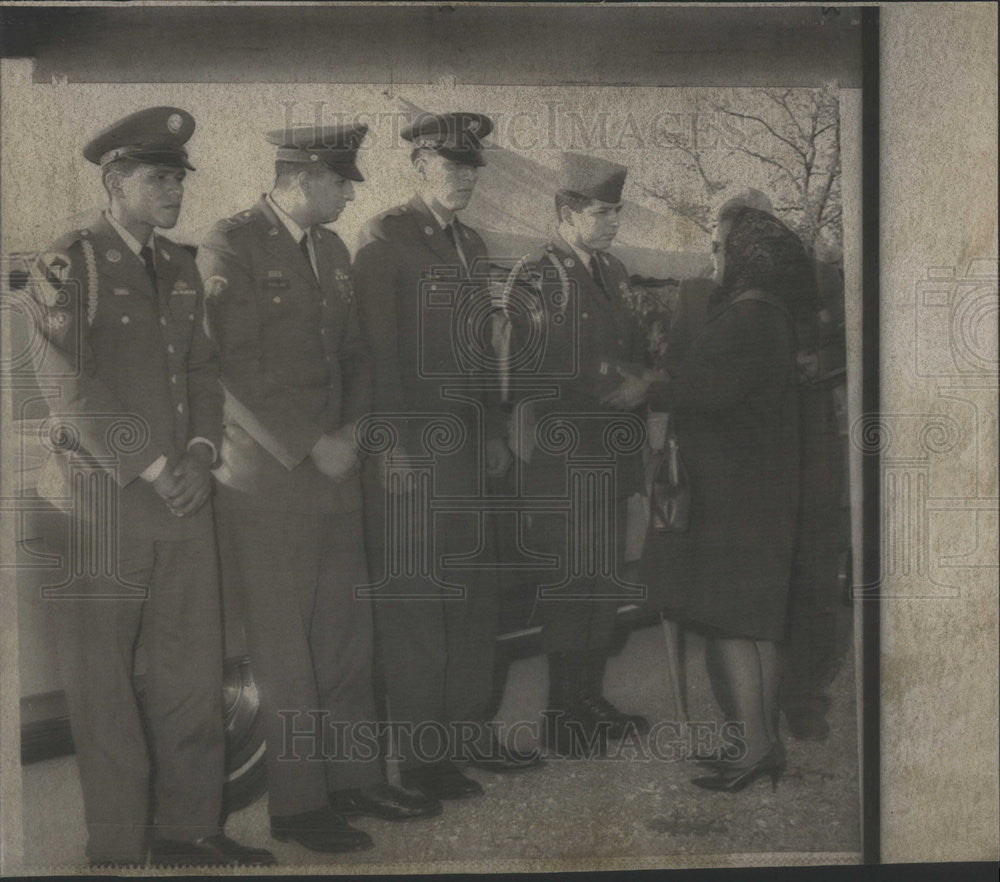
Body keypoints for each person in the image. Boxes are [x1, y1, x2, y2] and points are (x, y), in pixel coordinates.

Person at [27, 106, 274, 867]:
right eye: (156, 178)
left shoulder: (179, 265)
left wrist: (200, 453)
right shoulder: (70, 261)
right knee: (102, 686)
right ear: (113, 181)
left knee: (190, 672)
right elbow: (69, 386)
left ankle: (189, 828)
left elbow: (202, 372)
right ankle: (118, 845)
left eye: (178, 178)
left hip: (181, 498)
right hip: (99, 506)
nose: (173, 192)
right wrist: (162, 467)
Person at [198, 122, 438, 855]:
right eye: (339, 182)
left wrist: (354, 437)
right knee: (286, 651)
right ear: (300, 179)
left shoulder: (333, 250)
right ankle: (299, 807)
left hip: (337, 472)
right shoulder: (231, 245)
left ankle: (355, 779)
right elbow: (231, 369)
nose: (347, 195)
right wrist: (312, 444)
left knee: (344, 641)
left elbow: (361, 355)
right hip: (271, 481)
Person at [352, 111, 541, 802]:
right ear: (418, 166)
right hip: (413, 456)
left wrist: (492, 430)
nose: (463, 178)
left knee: (471, 603)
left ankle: (466, 731)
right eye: (450, 165)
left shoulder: (471, 243)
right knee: (416, 608)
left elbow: (481, 354)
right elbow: (375, 355)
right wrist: (391, 447)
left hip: (465, 451)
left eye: (471, 167)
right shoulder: (386, 238)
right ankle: (424, 756)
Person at [604, 206, 812, 791]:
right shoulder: (769, 313)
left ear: (748, 257)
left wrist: (646, 386)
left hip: (736, 495)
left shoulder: (748, 316)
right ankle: (760, 740)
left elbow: (706, 390)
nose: (712, 256)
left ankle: (751, 748)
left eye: (720, 247)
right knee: (757, 626)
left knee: (730, 624)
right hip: (757, 488)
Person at [501, 152, 650, 757]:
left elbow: (640, 343)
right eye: (602, 211)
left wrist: (639, 378)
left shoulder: (612, 271)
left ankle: (589, 698)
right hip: (564, 459)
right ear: (566, 213)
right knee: (570, 589)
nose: (613, 221)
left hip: (608, 455)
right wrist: (617, 379)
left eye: (616, 211)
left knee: (599, 586)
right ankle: (562, 716)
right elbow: (531, 363)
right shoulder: (537, 273)